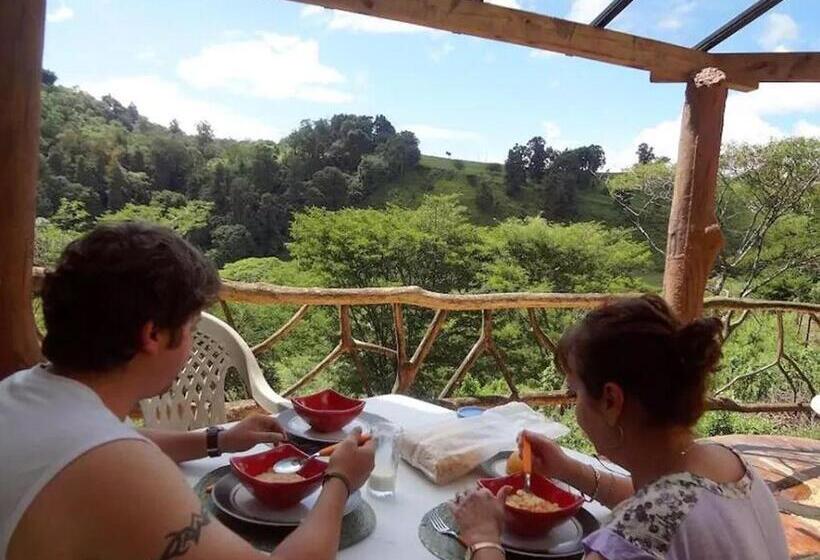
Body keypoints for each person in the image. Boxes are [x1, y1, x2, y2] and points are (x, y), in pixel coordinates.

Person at [0, 222, 375, 560]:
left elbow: (117, 439)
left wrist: (219, 439)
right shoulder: (117, 471)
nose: (191, 345)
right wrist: (340, 480)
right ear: (153, 335)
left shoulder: (23, 392)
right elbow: (110, 457)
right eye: (191, 328)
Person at [452, 295, 788, 560]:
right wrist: (568, 469)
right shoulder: (727, 465)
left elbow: (651, 516)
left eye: (575, 392)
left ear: (611, 401)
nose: (575, 405)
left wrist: (484, 539)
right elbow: (662, 503)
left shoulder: (635, 538)